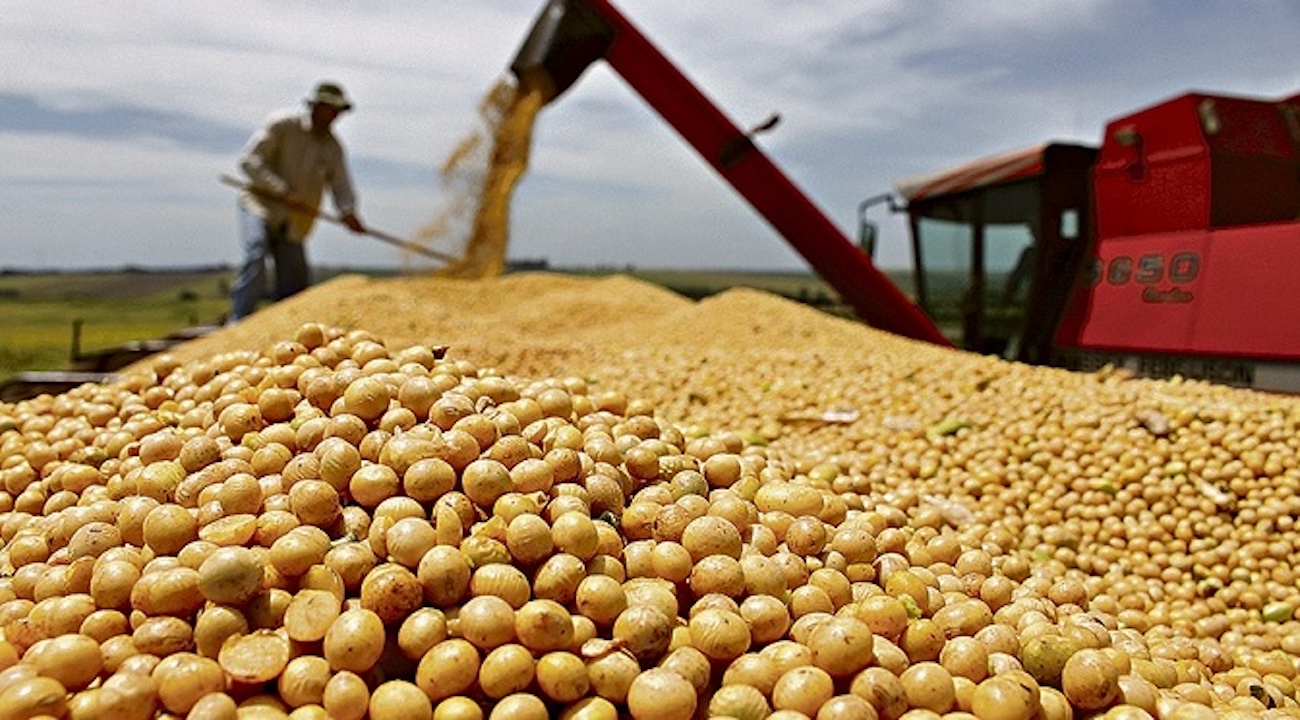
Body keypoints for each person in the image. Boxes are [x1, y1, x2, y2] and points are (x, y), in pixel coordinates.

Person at [228, 81, 367, 322]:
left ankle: (288, 328)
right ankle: (238, 321)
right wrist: (282, 191)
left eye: (337, 111)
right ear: (316, 106)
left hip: (296, 218)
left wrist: (348, 212)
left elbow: (342, 186)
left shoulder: (333, 149)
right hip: (261, 204)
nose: (333, 116)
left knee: (294, 279)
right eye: (329, 109)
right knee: (256, 251)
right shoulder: (283, 125)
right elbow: (250, 162)